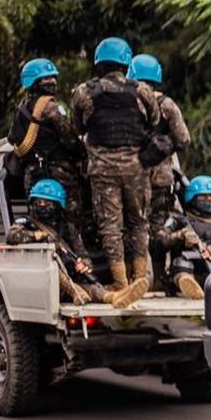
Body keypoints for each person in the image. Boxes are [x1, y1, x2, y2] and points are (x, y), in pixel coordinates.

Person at [70, 37, 158, 295]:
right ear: (125, 62)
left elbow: (77, 128)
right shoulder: (142, 91)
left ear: (99, 63)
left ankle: (120, 283)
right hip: (136, 169)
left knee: (111, 226)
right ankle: (140, 278)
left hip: (103, 170)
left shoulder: (84, 92)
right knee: (139, 222)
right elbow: (153, 121)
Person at [6, 180, 145, 308]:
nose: (42, 206)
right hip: (43, 283)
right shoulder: (27, 223)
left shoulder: (67, 227)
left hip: (71, 279)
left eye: (47, 203)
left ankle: (115, 297)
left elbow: (82, 253)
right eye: (38, 202)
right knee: (53, 267)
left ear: (57, 205)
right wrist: (37, 236)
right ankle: (76, 292)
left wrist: (84, 265)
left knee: (93, 288)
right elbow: (12, 236)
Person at [7, 58, 88, 255]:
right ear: (35, 82)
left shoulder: (22, 109)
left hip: (33, 175)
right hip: (59, 174)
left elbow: (12, 139)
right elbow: (70, 139)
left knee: (37, 221)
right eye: (47, 79)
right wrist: (82, 155)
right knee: (70, 222)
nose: (52, 82)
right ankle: (75, 263)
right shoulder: (51, 107)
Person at [128, 53, 192, 291]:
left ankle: (134, 280)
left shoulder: (127, 103)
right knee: (158, 229)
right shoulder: (167, 104)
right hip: (161, 180)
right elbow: (184, 140)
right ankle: (158, 280)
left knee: (132, 227)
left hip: (131, 177)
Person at [156, 176, 211, 299]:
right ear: (193, 198)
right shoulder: (179, 220)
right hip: (191, 270)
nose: (210, 200)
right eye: (205, 196)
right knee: (182, 262)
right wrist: (180, 235)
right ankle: (186, 283)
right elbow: (159, 242)